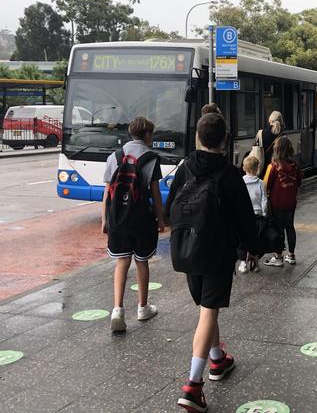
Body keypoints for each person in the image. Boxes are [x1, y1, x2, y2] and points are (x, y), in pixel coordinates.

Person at [166, 113, 257, 413]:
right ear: (224, 140)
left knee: (207, 307)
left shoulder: (184, 168)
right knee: (208, 311)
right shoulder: (230, 174)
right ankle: (193, 386)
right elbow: (245, 219)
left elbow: (169, 209)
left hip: (186, 250)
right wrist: (252, 248)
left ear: (198, 138)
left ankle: (217, 359)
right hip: (216, 251)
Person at [101, 117, 163, 333]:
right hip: (141, 218)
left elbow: (107, 192)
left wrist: (105, 220)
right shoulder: (151, 158)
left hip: (117, 217)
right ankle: (142, 307)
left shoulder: (114, 157)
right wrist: (161, 219)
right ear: (146, 134)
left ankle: (117, 309)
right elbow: (155, 193)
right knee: (142, 261)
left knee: (121, 261)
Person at [264, 136, 302, 267]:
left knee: (278, 228)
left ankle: (278, 256)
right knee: (290, 227)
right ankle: (291, 255)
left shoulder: (273, 166)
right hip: (291, 202)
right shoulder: (295, 165)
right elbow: (299, 182)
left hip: (277, 203)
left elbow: (265, 184)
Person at [238, 155, 267, 274]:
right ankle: (256, 263)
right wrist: (264, 214)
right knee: (255, 239)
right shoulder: (261, 183)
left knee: (242, 239)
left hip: (243, 215)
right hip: (257, 215)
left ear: (244, 168)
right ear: (257, 169)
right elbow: (264, 200)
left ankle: (243, 263)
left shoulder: (240, 182)